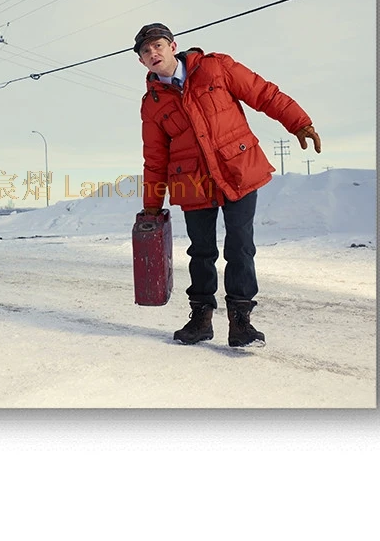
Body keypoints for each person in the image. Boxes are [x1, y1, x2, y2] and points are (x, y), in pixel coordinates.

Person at [135, 22, 321, 348]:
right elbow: (154, 157)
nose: (153, 53)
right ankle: (201, 319)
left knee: (240, 246)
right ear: (141, 61)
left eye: (158, 45)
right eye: (146, 51)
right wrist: (152, 205)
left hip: (238, 169)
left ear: (173, 46)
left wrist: (299, 122)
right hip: (192, 181)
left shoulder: (216, 67)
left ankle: (241, 322)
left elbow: (263, 93)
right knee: (201, 251)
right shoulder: (152, 103)